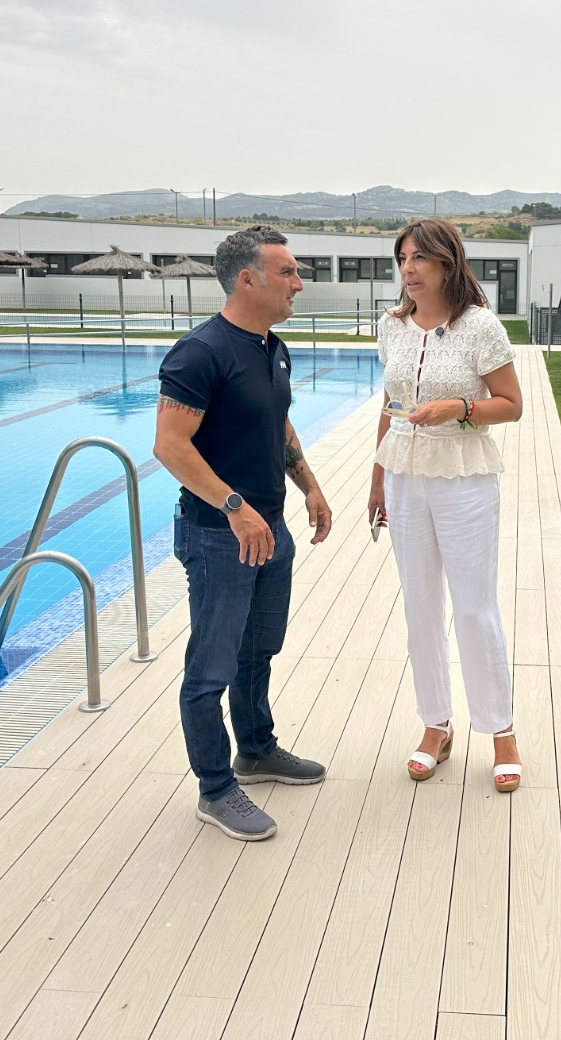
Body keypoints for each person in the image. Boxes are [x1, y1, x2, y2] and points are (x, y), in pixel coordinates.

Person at [154, 225, 333, 841]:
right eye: (288, 272)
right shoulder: (200, 352)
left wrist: (309, 485)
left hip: (269, 528)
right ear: (247, 279)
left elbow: (278, 424)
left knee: (260, 649)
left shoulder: (272, 348)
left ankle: (255, 750)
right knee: (211, 668)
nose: (299, 283)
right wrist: (233, 506)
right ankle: (215, 789)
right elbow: (170, 445)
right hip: (217, 535)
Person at [367, 219, 524, 792]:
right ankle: (436, 725)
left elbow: (511, 404)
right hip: (404, 476)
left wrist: (458, 407)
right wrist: (377, 479)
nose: (407, 269)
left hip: (463, 478)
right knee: (419, 606)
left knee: (474, 606)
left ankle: (501, 730)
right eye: (402, 258)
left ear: (447, 263)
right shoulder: (392, 326)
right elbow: (389, 404)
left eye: (419, 258)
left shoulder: (479, 326)